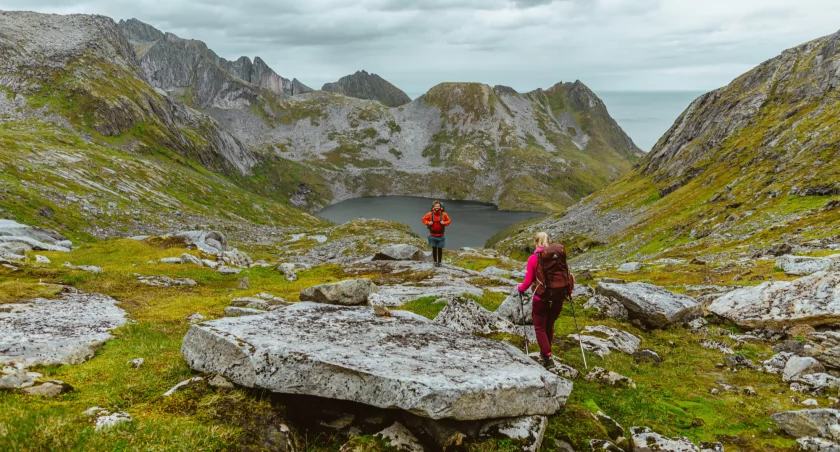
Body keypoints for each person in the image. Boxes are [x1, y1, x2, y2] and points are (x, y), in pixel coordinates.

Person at [518, 232, 574, 369]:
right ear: (548, 242)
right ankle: (547, 353)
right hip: (558, 297)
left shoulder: (533, 258)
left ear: (536, 242)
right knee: (550, 325)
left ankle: (547, 356)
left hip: (541, 298)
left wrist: (520, 288)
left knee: (540, 327)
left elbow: (528, 280)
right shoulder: (558, 256)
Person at [421, 200, 451, 267]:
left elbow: (449, 221)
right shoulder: (430, 214)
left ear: (440, 207)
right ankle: (435, 262)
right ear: (433, 207)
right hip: (432, 235)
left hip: (441, 235)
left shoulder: (444, 214)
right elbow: (423, 219)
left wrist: (444, 223)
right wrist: (428, 223)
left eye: (438, 206)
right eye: (435, 206)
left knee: (440, 249)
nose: (437, 207)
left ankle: (439, 262)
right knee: (434, 249)